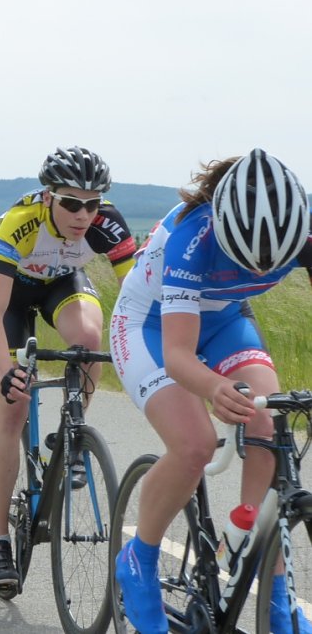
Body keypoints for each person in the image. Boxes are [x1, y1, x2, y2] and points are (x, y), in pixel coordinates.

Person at [109, 149, 312, 634]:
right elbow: (179, 355)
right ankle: (138, 560)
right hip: (151, 326)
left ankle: (254, 560)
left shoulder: (305, 231)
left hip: (225, 319)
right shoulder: (191, 239)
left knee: (268, 423)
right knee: (195, 443)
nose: (263, 269)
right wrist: (216, 387)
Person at [0, 146, 136, 587]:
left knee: (86, 339)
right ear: (49, 198)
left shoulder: (109, 223)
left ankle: (74, 431)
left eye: (92, 203)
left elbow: (139, 294)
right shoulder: (19, 223)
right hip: (10, 295)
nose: (83, 214)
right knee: (12, 408)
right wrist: (7, 372)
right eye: (71, 202)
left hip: (61, 285)